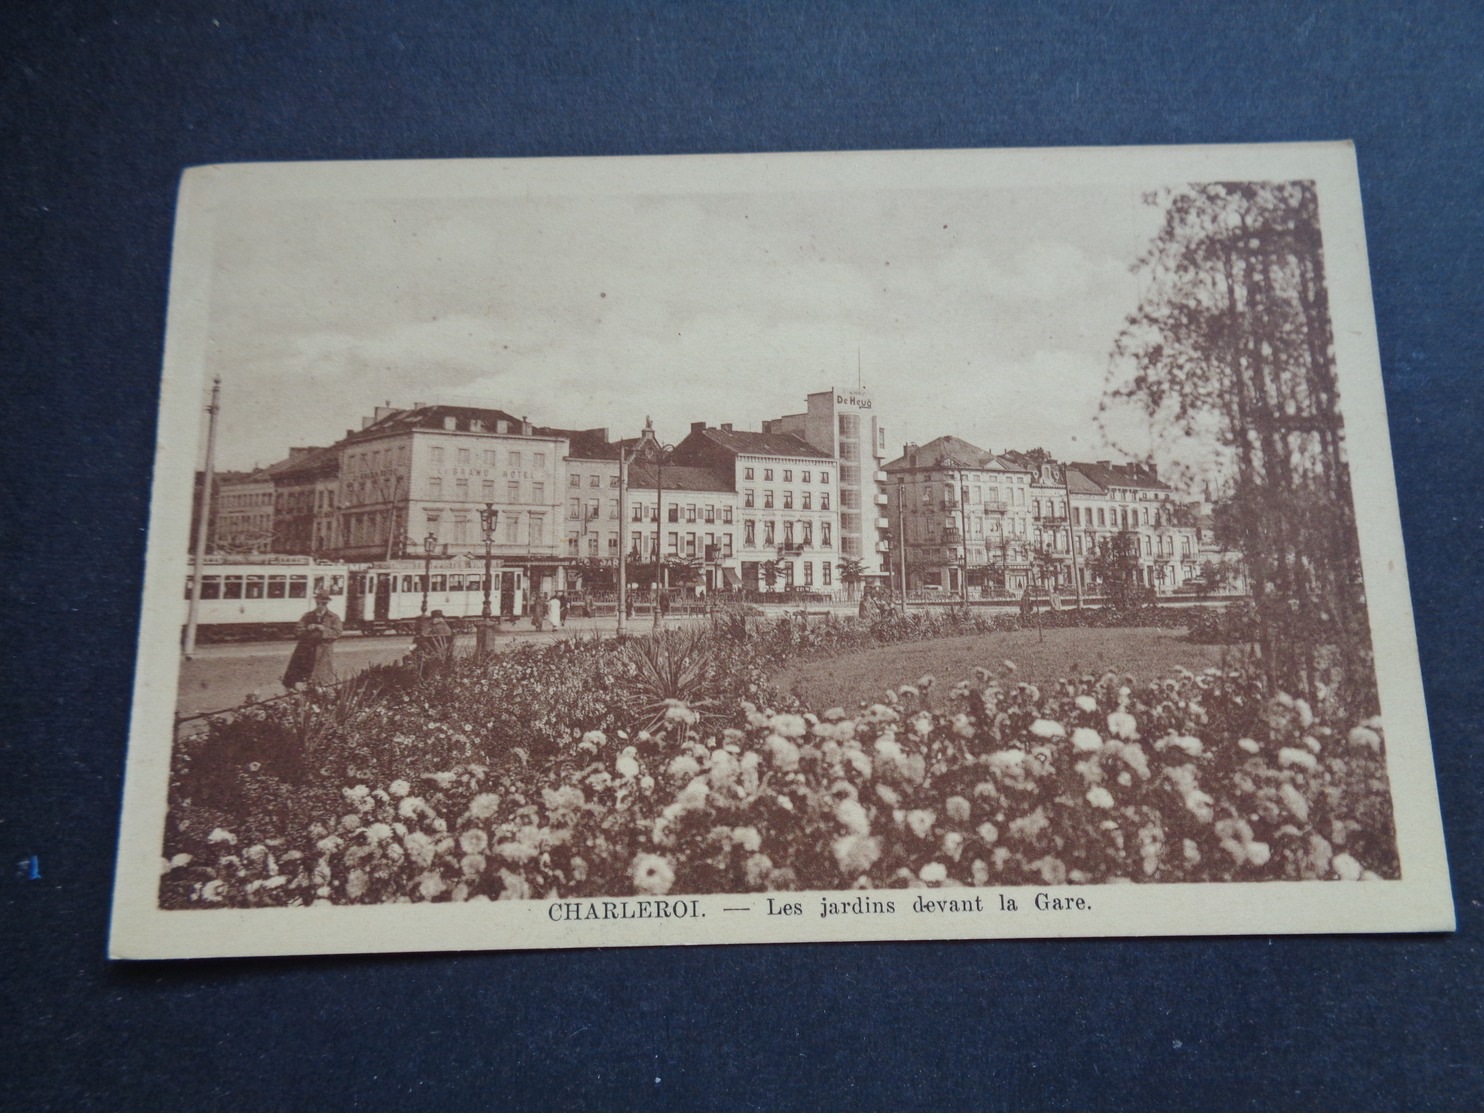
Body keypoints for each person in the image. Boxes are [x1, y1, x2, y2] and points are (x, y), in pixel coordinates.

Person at [282, 589, 342, 689]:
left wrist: (324, 630)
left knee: (322, 678)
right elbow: (297, 631)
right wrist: (307, 628)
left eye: (323, 603)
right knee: (301, 678)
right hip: (306, 651)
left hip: (324, 652)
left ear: (327, 603)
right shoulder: (307, 616)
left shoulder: (333, 617)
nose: (320, 605)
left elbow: (337, 632)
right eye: (318, 602)